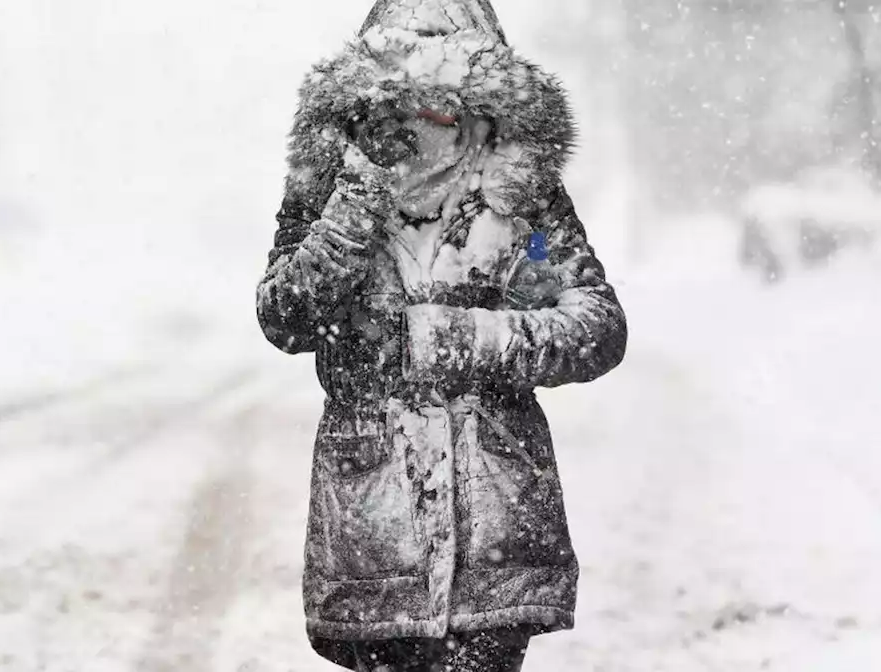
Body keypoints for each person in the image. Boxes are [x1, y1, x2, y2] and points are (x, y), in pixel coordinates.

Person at [255, 1, 627, 669]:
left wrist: (458, 339)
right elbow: (284, 318)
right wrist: (353, 209)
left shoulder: (520, 191)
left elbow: (595, 326)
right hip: (374, 535)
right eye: (414, 81)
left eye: (461, 79)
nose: (437, 102)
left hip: (497, 531)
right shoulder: (332, 182)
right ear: (377, 82)